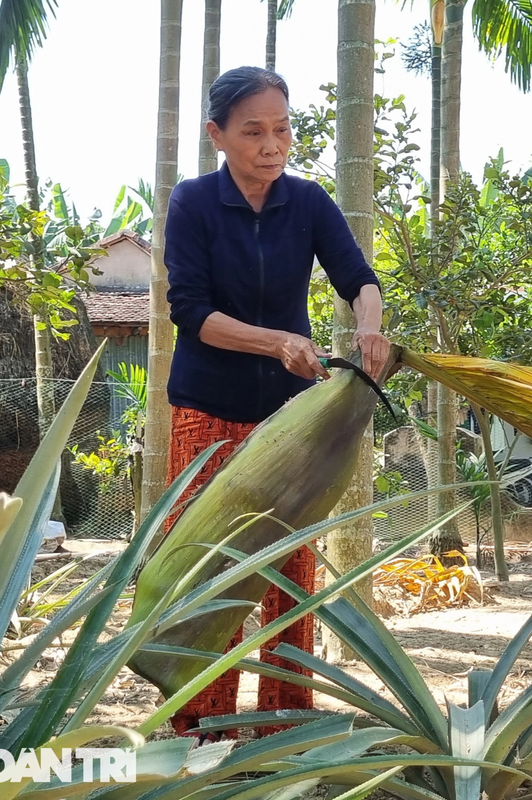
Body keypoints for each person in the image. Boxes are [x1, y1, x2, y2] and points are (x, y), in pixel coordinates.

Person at [163, 66, 390, 741]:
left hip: (295, 419)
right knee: (212, 567)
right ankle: (202, 729)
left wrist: (370, 326)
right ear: (218, 136)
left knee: (289, 574)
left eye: (282, 129)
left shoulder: (309, 202)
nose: (272, 144)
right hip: (206, 411)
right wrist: (275, 342)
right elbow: (192, 312)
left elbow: (359, 278)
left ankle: (286, 726)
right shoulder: (193, 203)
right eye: (254, 131)